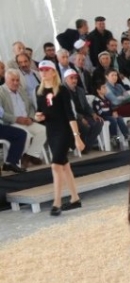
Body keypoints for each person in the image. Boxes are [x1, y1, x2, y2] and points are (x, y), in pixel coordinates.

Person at [33, 61, 85, 216]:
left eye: (46, 69)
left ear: (54, 72)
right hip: (51, 131)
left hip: (64, 131)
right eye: (41, 70)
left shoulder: (62, 90)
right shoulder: (38, 90)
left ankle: (57, 203)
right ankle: (75, 198)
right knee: (64, 166)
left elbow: (70, 114)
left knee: (56, 166)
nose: (43, 72)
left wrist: (77, 137)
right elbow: (40, 111)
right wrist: (38, 116)